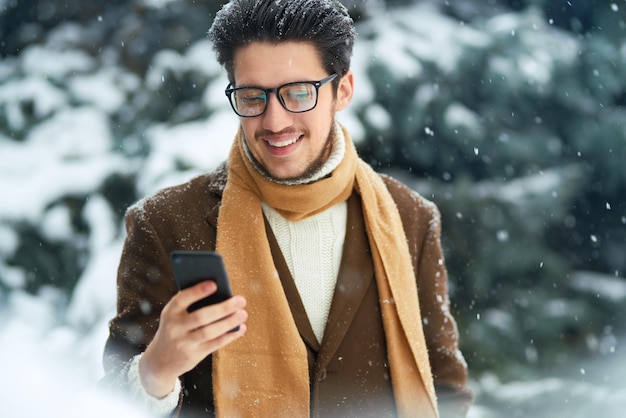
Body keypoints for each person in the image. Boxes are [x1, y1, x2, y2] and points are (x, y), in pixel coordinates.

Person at [101, 0, 473, 417]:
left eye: (299, 93)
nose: (275, 121)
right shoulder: (165, 222)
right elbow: (109, 401)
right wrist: (155, 370)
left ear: (343, 90)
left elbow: (445, 388)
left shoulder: (410, 218)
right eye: (252, 96)